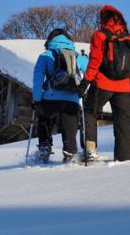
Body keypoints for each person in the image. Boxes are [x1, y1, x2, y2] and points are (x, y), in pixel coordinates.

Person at [78, 5, 130, 162]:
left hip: (102, 85)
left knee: (89, 111)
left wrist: (85, 82)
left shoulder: (99, 36)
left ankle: (90, 151)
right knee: (123, 122)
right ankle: (125, 157)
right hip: (125, 88)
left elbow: (94, 62)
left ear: (103, 19)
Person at [32, 29, 89, 163]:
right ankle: (70, 152)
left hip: (50, 98)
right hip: (72, 99)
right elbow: (90, 71)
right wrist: (83, 89)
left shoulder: (46, 55)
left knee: (44, 117)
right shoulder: (76, 56)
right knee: (70, 123)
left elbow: (38, 79)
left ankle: (44, 146)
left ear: (50, 40)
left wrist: (36, 100)